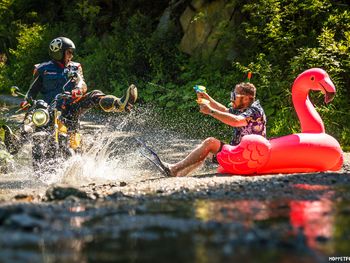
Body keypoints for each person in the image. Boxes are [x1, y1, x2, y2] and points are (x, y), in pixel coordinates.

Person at [2, 36, 137, 154]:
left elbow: (82, 83)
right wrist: (27, 100)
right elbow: (32, 90)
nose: (71, 55)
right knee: (35, 109)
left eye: (72, 53)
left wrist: (78, 90)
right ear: (58, 52)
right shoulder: (42, 68)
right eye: (69, 52)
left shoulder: (75, 67)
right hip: (49, 109)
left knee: (94, 95)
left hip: (71, 107)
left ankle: (119, 104)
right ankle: (16, 141)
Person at [142, 82, 266, 177]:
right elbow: (224, 110)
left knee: (210, 142)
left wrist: (210, 111)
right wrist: (206, 97)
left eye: (234, 95)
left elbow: (236, 121)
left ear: (246, 98)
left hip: (246, 158)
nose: (231, 98)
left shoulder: (254, 111)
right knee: (204, 150)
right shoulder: (243, 108)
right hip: (239, 155)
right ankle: (177, 173)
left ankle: (174, 169)